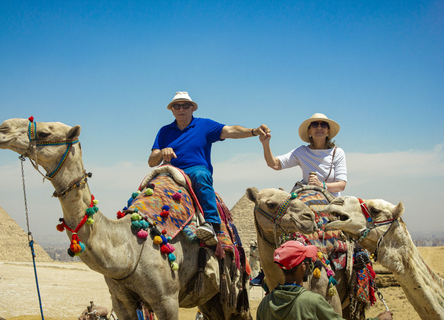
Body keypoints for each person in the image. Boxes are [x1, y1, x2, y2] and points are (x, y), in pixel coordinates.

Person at [148, 91, 270, 246]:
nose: (181, 109)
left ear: (192, 108)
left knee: (200, 175)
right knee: (150, 186)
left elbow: (231, 131)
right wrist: (161, 152)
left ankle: (212, 224)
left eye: (185, 105)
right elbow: (152, 161)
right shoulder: (164, 131)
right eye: (177, 106)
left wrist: (253, 131)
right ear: (172, 110)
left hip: (195, 170)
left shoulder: (204, 125)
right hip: (171, 172)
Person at [256, 241, 394, 320]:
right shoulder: (313, 302)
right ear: (303, 267)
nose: (310, 264)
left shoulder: (265, 304)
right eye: (308, 261)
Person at [260, 113, 347, 196]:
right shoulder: (302, 152)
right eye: (315, 125)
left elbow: (341, 185)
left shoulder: (337, 153)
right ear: (309, 131)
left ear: (328, 131)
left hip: (332, 201)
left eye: (323, 125)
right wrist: (265, 144)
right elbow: (274, 164)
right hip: (307, 198)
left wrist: (321, 185)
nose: (319, 127)